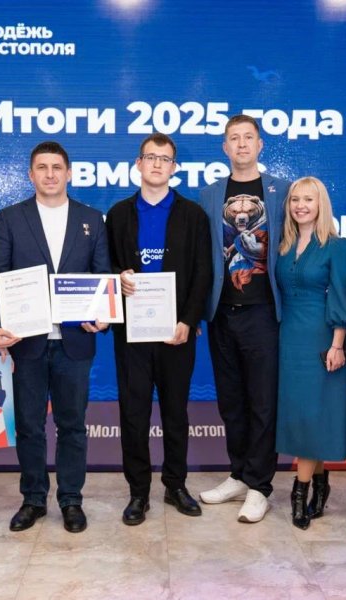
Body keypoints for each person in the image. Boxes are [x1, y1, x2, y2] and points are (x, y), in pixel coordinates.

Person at [0, 141, 110, 534]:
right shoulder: (11, 218)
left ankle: (71, 499)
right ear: (30, 174)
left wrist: (103, 317)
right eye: (42, 167)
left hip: (75, 342)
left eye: (57, 167)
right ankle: (34, 498)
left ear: (69, 173)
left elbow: (102, 275)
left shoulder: (92, 219)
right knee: (30, 425)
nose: (50, 174)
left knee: (72, 425)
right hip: (27, 341)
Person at [106, 133, 212, 526]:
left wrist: (189, 320)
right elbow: (104, 265)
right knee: (133, 414)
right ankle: (138, 493)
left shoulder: (192, 215)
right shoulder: (118, 214)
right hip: (131, 333)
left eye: (164, 159)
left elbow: (203, 272)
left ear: (174, 168)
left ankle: (175, 485)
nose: (156, 164)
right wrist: (117, 276)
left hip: (176, 332)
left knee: (175, 413)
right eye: (150, 157)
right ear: (138, 163)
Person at [198, 114, 291, 523]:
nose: (241, 144)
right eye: (233, 138)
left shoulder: (282, 191)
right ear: (224, 146)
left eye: (248, 137)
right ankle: (238, 474)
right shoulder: (209, 195)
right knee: (231, 401)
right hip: (222, 313)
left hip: (264, 312)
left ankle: (259, 485)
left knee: (262, 402)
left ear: (260, 144)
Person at [275, 176, 346, 530]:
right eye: (295, 199)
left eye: (308, 200)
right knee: (302, 416)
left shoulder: (336, 246)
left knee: (314, 415)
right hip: (288, 339)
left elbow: (342, 295)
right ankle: (321, 483)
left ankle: (299, 493)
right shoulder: (283, 244)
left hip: (321, 340)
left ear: (320, 204)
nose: (300, 206)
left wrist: (338, 344)